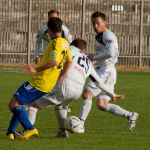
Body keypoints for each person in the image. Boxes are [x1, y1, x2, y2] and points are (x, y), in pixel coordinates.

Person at [25, 38, 123, 138]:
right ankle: (63, 132)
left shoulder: (70, 50)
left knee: (33, 105)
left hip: (65, 86)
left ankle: (28, 130)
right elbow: (99, 83)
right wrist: (112, 94)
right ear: (83, 49)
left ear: (72, 44)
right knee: (61, 105)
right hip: (77, 92)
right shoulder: (88, 62)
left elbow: (56, 62)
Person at [6, 17, 72, 140]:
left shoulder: (56, 43)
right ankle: (10, 132)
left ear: (50, 30)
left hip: (39, 81)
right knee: (20, 103)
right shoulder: (65, 42)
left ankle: (30, 129)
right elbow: (69, 60)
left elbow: (54, 62)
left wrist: (36, 69)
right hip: (47, 83)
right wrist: (62, 74)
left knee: (13, 104)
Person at [78, 11, 139, 133]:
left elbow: (111, 53)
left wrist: (93, 57)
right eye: (93, 23)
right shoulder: (101, 36)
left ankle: (79, 123)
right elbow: (106, 54)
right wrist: (93, 61)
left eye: (98, 23)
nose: (95, 26)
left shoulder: (108, 35)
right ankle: (130, 115)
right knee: (102, 104)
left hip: (106, 71)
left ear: (104, 22)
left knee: (87, 94)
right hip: (106, 70)